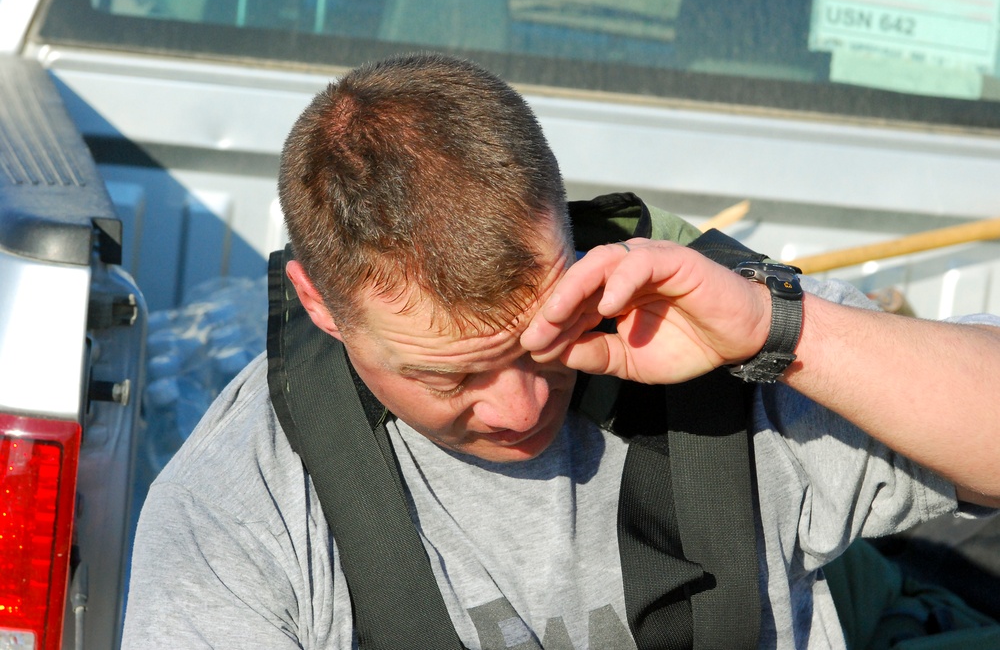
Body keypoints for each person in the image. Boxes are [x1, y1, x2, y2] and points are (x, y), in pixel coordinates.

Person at [121, 52, 1000, 649]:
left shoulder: (704, 337)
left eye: (543, 338)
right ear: (322, 306)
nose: (520, 406)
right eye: (448, 374)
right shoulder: (236, 510)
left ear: (568, 234)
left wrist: (784, 332)